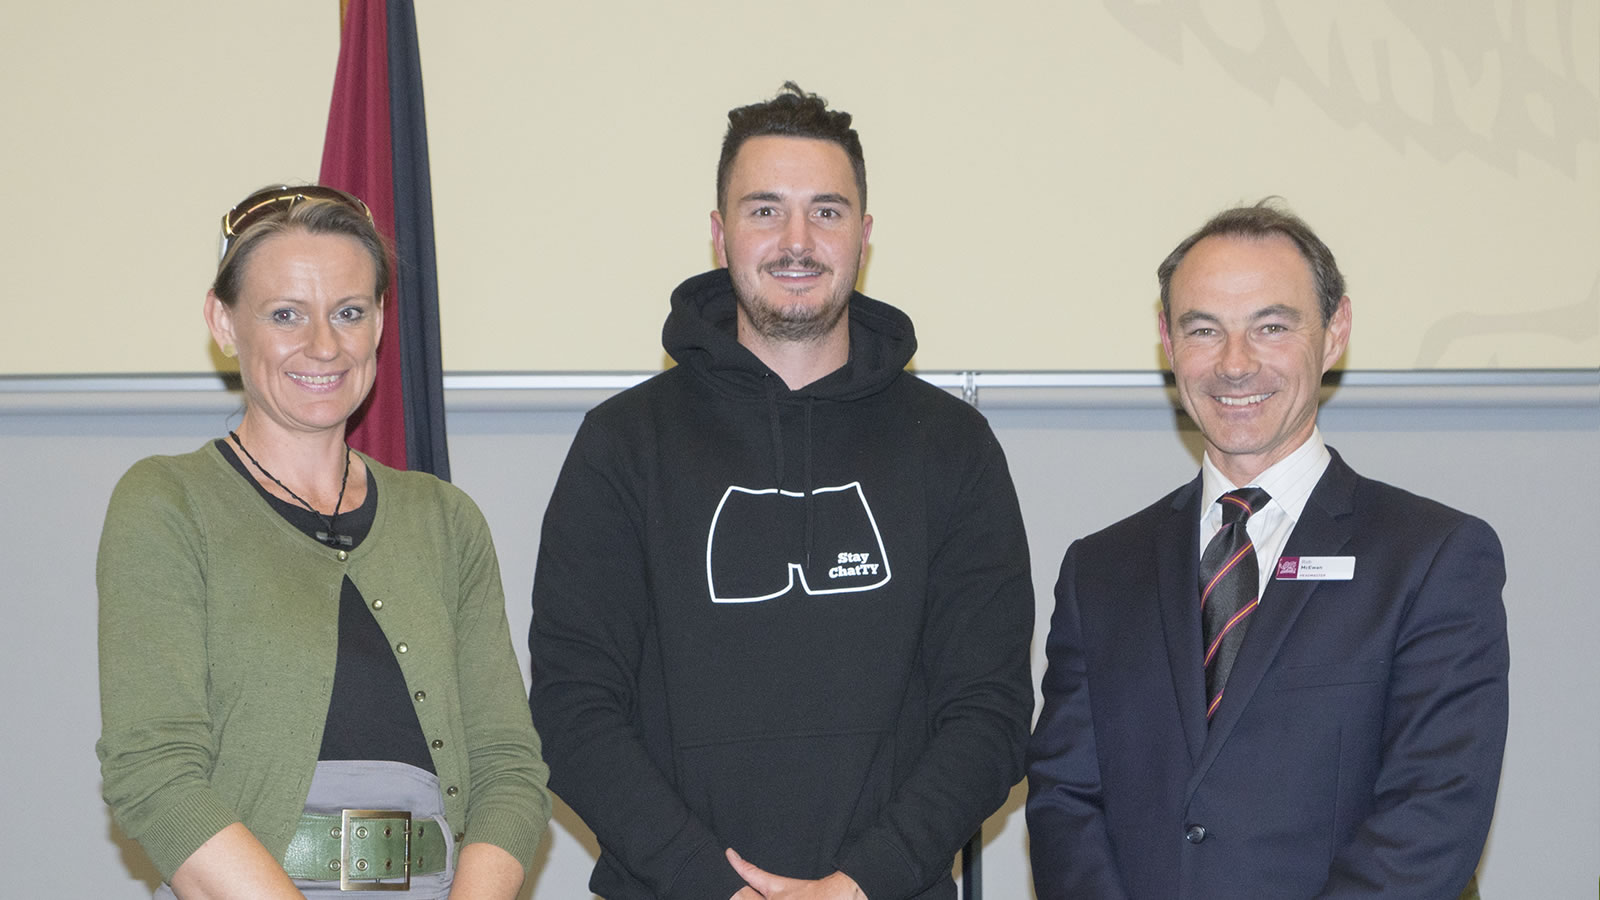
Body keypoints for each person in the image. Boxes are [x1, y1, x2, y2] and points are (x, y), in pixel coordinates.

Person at [528, 83, 1035, 900]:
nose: (797, 240)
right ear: (719, 233)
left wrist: (859, 883)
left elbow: (991, 713)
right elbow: (573, 708)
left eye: (827, 212)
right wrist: (712, 885)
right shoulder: (623, 444)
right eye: (765, 210)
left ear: (864, 237)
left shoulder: (952, 447)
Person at [1025, 200, 1509, 899]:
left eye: (1271, 327)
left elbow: (1435, 810)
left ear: (1335, 331)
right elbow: (1065, 800)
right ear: (1166, 340)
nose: (1235, 364)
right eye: (1203, 330)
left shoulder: (1432, 557)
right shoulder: (1099, 570)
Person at [96, 185, 550, 898]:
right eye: (286, 315)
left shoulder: (446, 521)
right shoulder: (167, 503)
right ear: (222, 321)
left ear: (378, 325)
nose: (324, 345)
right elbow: (154, 771)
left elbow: (509, 771)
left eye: (349, 312)